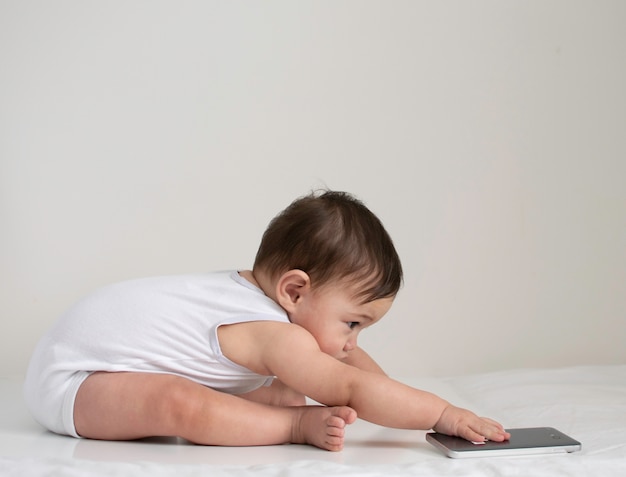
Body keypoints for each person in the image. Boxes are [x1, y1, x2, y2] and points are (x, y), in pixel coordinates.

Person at [24, 190, 510, 451]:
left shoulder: (265, 301)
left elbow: (356, 375)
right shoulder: (272, 332)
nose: (352, 342)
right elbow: (350, 388)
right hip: (72, 384)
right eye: (352, 324)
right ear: (294, 290)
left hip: (107, 364)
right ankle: (287, 427)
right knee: (180, 403)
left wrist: (396, 402)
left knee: (282, 386)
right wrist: (443, 414)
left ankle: (275, 412)